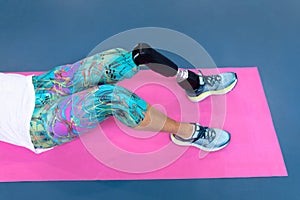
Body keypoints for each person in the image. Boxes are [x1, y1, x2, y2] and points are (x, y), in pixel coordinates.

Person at [0, 43, 237, 154]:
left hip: (37, 86)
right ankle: (187, 133)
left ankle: (193, 84)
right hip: (34, 123)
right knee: (113, 98)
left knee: (137, 55)